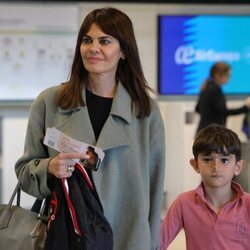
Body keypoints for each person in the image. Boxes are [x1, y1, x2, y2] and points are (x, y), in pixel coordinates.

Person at [14, 7, 166, 250]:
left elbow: (155, 188)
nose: (93, 48)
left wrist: (152, 243)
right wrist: (49, 168)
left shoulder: (145, 112)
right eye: (87, 40)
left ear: (124, 51)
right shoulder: (49, 103)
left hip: (126, 237)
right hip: (68, 234)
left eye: (104, 41)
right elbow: (24, 173)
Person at [159, 123, 250, 250]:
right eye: (207, 160)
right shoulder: (183, 203)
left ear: (238, 167)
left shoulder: (248, 204)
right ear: (195, 165)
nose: (216, 167)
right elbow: (157, 244)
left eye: (224, 160)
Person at [195, 61, 250, 133]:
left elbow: (197, 108)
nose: (229, 78)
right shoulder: (214, 90)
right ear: (218, 75)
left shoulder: (207, 87)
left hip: (205, 132)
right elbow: (223, 111)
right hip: (212, 134)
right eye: (227, 75)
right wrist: (245, 107)